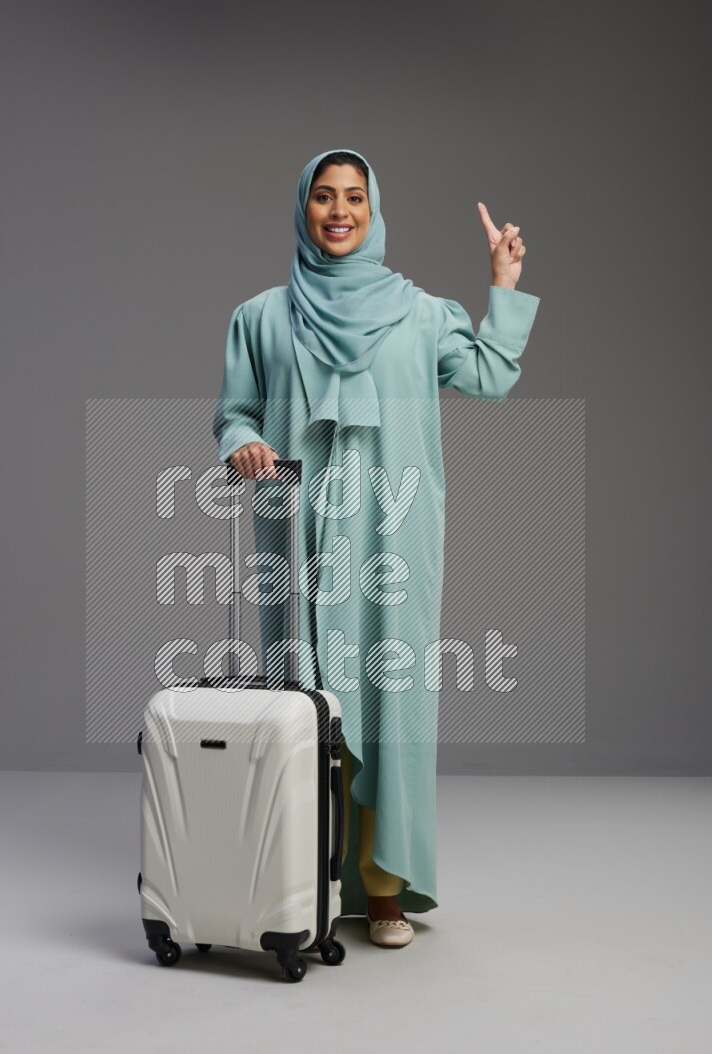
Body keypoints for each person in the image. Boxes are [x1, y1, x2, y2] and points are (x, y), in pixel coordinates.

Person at [213, 147, 539, 948]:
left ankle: (384, 886)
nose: (338, 211)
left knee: (390, 704)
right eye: (323, 196)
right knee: (306, 704)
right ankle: (302, 883)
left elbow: (490, 375)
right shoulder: (262, 316)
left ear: (373, 209)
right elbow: (234, 414)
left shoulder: (422, 313)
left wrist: (501, 285)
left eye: (354, 197)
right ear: (303, 208)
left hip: (396, 532)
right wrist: (245, 444)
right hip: (297, 533)